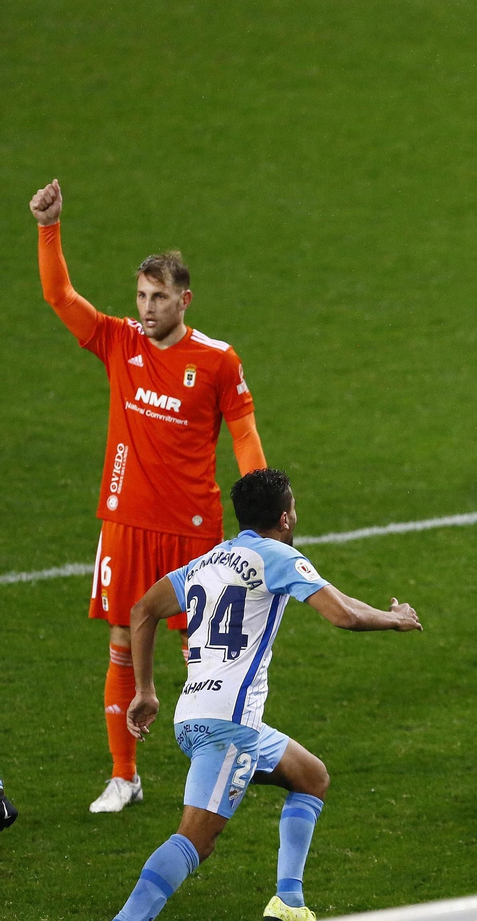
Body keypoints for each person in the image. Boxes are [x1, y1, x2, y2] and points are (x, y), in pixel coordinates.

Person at [84, 469, 422, 921]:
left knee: (310, 776)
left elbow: (141, 610)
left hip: (195, 714)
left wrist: (145, 690)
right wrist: (395, 622)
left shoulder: (209, 561)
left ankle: (288, 903)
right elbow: (341, 614)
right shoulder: (277, 557)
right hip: (230, 728)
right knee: (196, 840)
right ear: (285, 518)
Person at [31, 179, 269, 814]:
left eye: (158, 297)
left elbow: (243, 431)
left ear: (183, 299)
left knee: (206, 655)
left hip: (194, 528)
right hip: (127, 522)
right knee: (120, 642)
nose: (146, 308)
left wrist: (261, 512)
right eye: (140, 296)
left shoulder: (217, 361)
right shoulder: (119, 343)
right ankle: (124, 774)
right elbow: (59, 295)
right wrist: (49, 228)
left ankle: (217, 769)